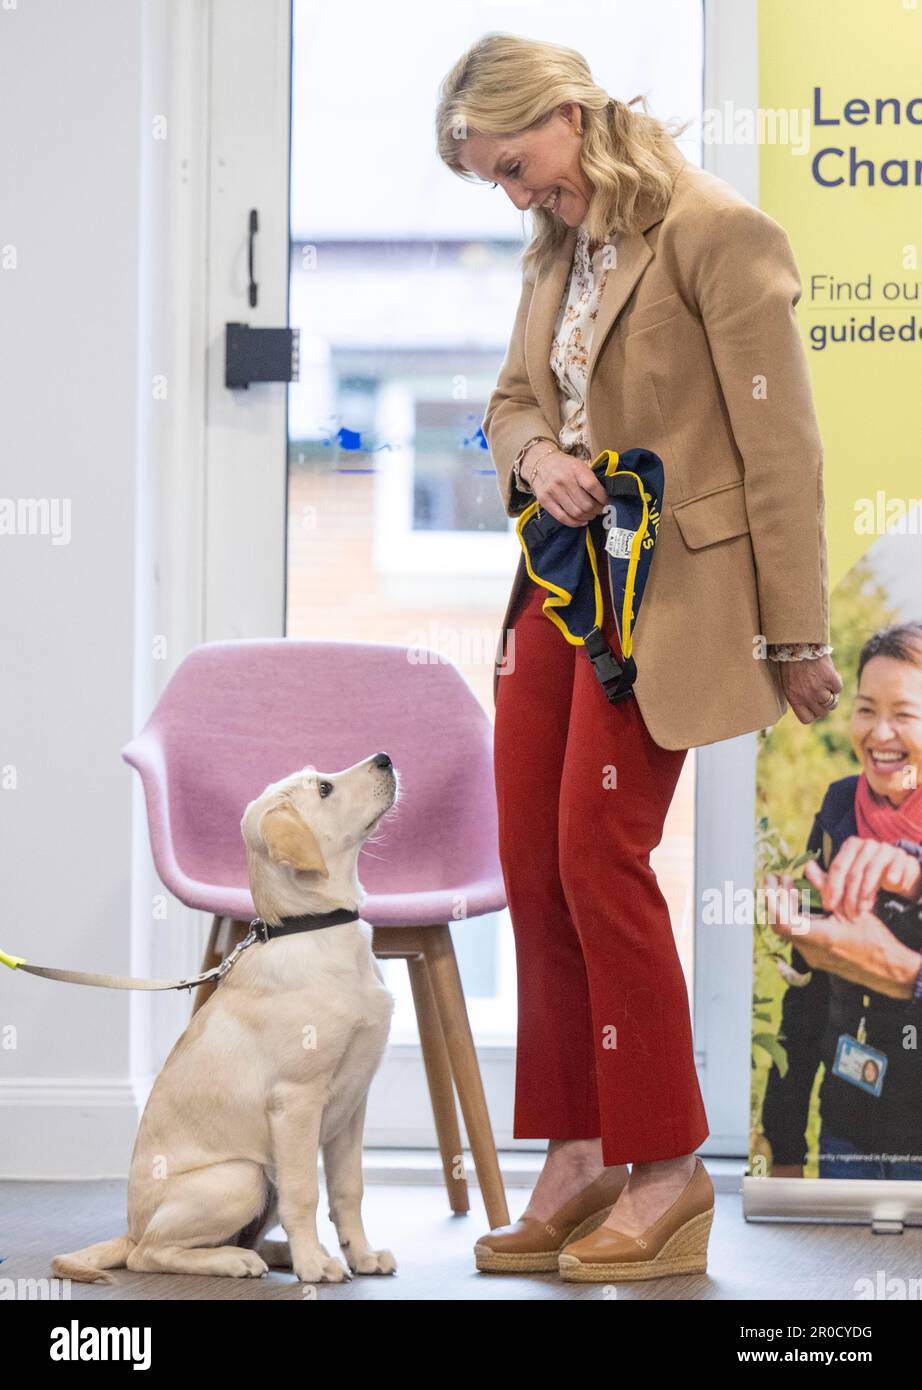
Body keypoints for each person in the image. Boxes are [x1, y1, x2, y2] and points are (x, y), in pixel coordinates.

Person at [435, 32, 842, 1280]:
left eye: (515, 166)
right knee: (530, 860)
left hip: (665, 598)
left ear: (566, 111)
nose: (515, 195)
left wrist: (798, 630)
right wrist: (533, 457)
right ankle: (579, 1152)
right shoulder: (555, 243)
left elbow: (783, 451)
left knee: (594, 855)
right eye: (494, 183)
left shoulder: (717, 232)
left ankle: (666, 1168)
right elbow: (512, 399)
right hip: (561, 589)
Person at [762, 622, 922, 1180]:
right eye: (866, 710)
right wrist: (784, 1147)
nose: (881, 733)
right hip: (846, 1131)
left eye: (904, 714)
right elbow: (804, 995)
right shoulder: (838, 812)